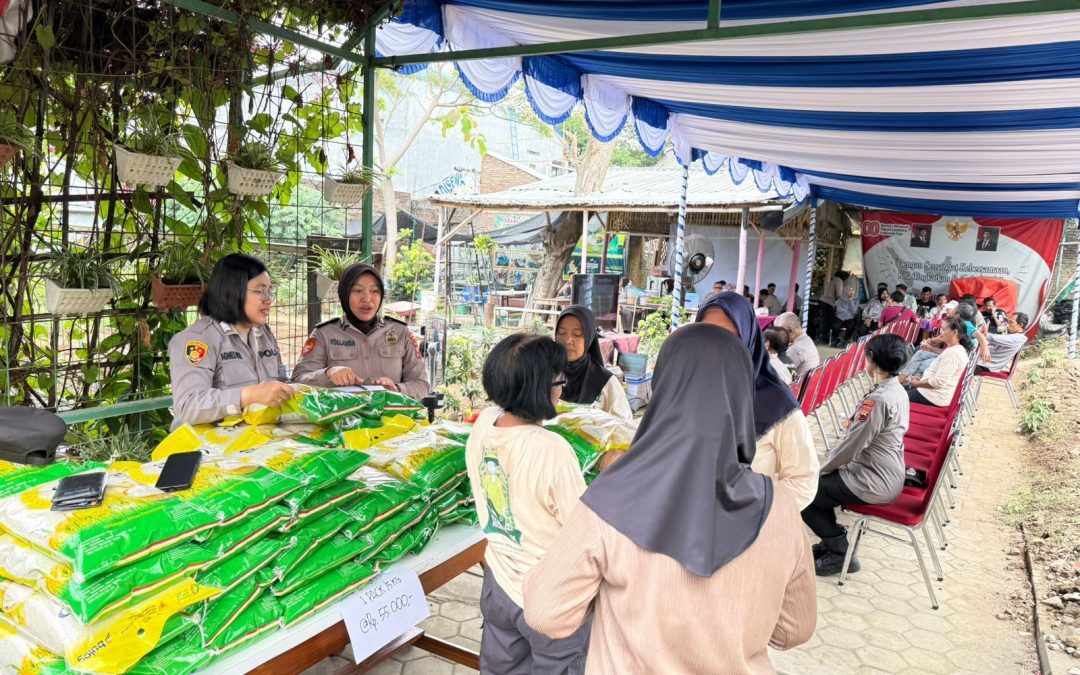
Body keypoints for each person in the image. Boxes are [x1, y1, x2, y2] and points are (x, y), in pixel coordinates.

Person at [523, 324, 817, 673]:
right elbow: (792, 632)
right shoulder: (780, 507)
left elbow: (546, 615)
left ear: (662, 390)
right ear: (743, 396)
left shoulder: (610, 499)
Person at [466, 334, 590, 674]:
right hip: (548, 599)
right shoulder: (551, 449)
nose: (561, 389)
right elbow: (583, 530)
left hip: (499, 585)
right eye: (558, 380)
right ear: (541, 389)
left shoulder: (484, 427)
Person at [697, 293, 819, 507]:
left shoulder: (777, 405)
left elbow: (803, 482)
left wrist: (752, 512)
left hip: (744, 528)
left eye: (728, 335)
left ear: (748, 338)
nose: (715, 344)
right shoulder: (687, 388)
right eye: (706, 333)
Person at [803, 333, 911, 576]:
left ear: (871, 359)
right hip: (882, 472)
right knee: (818, 488)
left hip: (873, 480)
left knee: (806, 491)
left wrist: (820, 469)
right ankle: (833, 544)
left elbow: (852, 446)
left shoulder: (878, 400)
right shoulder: (896, 389)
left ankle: (840, 554)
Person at [169, 254, 292, 430]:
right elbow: (188, 406)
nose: (268, 300)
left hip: (254, 439)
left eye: (269, 291)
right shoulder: (198, 339)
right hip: (208, 447)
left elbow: (280, 381)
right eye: (260, 291)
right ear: (233, 290)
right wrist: (249, 395)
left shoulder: (262, 333)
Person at [292, 264, 430, 400]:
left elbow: (421, 384)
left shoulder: (400, 332)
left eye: (374, 291)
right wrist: (328, 373)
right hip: (341, 419)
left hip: (392, 420)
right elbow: (298, 381)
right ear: (344, 294)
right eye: (358, 291)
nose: (367, 298)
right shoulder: (324, 334)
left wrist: (397, 389)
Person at [554, 306, 633, 421]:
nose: (568, 340)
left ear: (589, 337)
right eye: (561, 333)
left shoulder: (606, 383)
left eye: (577, 334)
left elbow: (624, 429)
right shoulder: (545, 374)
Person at [906, 317, 969, 406]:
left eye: (943, 329)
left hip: (933, 397)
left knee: (894, 399)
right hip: (932, 393)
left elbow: (938, 382)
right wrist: (920, 381)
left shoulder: (953, 353)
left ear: (954, 332)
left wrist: (917, 384)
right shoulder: (955, 349)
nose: (940, 332)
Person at [775, 312, 820, 378]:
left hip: (796, 386)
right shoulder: (806, 339)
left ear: (790, 331)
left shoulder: (796, 349)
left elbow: (777, 373)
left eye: (778, 331)